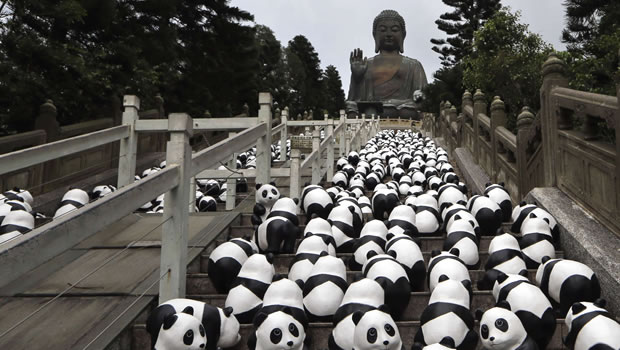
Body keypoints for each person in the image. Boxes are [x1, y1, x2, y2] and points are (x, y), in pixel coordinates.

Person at [346, 9, 428, 119]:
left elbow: (421, 96)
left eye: (394, 30)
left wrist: (416, 102)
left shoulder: (413, 65)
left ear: (403, 35)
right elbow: (355, 99)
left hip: (402, 109)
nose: (389, 34)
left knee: (407, 110)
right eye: (383, 30)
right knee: (350, 107)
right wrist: (357, 77)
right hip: (373, 109)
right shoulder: (366, 64)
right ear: (375, 35)